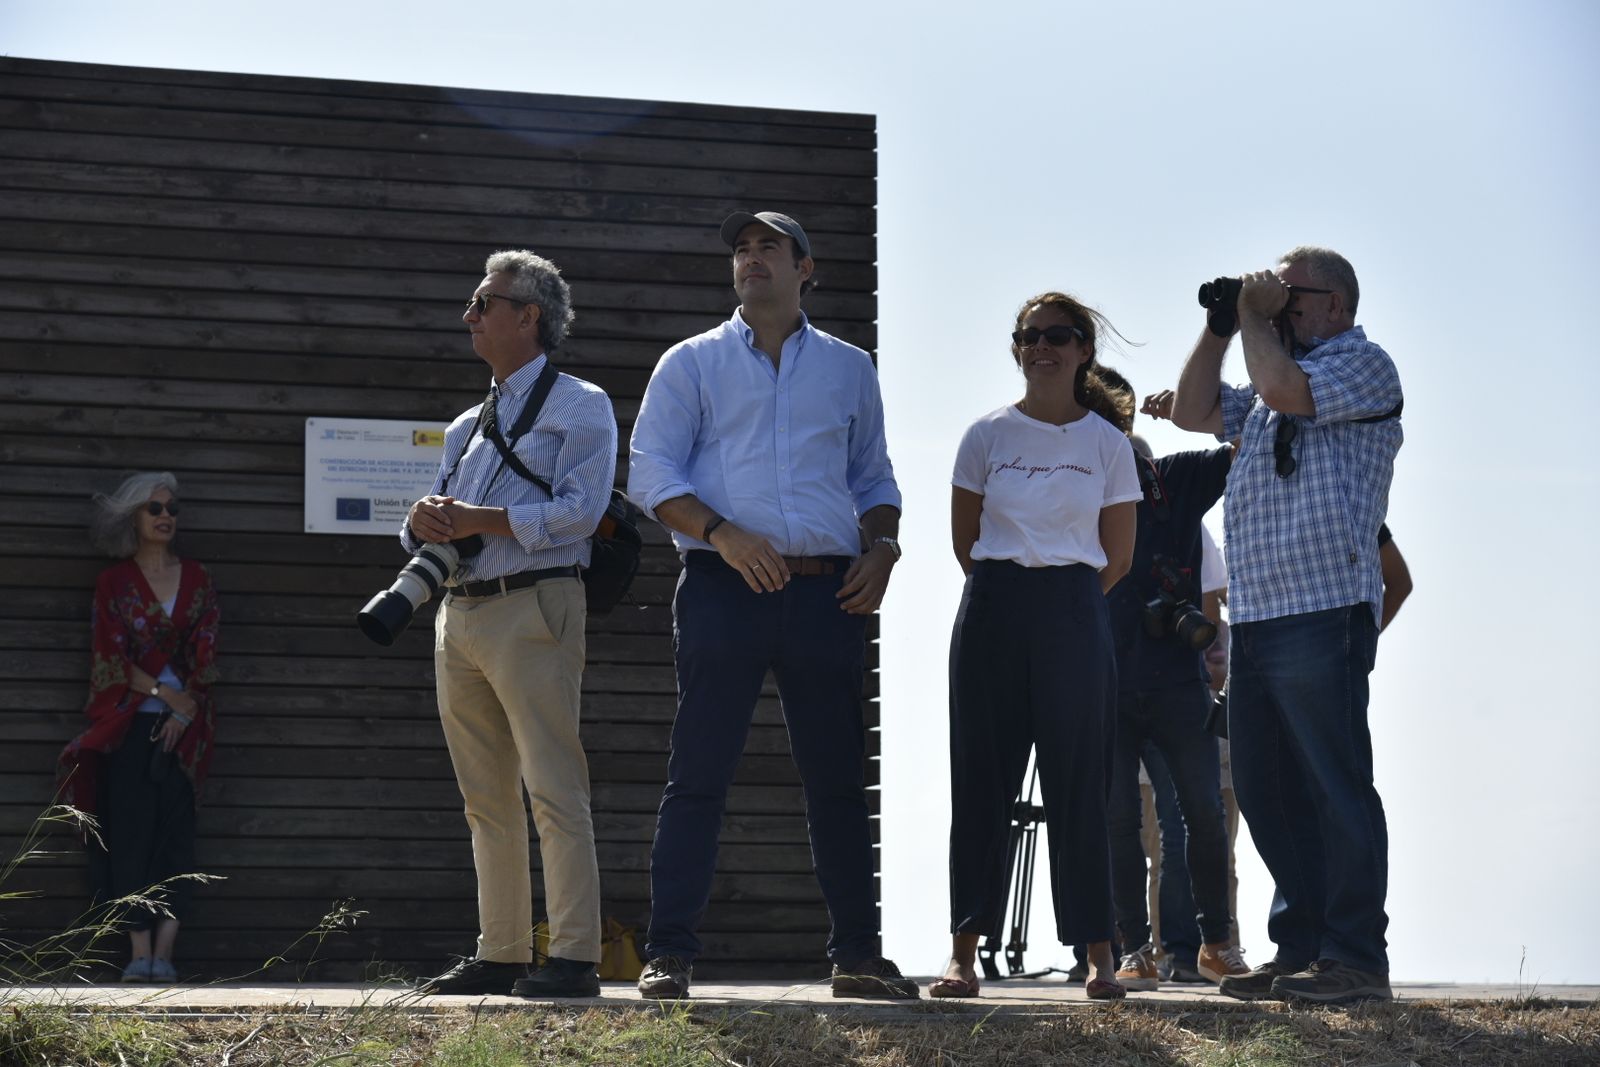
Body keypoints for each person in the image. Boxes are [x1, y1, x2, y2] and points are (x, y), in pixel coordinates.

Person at [628, 211, 911, 1000]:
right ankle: (670, 953)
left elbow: (875, 480)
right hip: (725, 587)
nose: (751, 259)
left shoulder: (851, 368)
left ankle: (857, 955)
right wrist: (722, 533)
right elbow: (650, 475)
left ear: (805, 268)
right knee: (699, 774)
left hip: (830, 591)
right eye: (742, 250)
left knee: (837, 780)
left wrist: (884, 550)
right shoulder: (691, 363)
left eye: (769, 248)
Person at [1170, 245, 1402, 1004]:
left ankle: (1356, 957)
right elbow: (1195, 408)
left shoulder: (1363, 366)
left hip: (1324, 606)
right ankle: (1302, 947)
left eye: (1292, 292)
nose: (1279, 302)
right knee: (1270, 793)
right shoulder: (1272, 374)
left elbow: (1283, 385)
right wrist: (1219, 327)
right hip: (1261, 616)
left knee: (1335, 787)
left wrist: (1250, 318)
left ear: (1335, 304)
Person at [405, 250, 617, 998]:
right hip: (459, 613)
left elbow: (580, 514)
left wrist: (478, 517)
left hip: (536, 602)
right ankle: (499, 951)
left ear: (529, 316)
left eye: (484, 302)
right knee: (484, 796)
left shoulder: (582, 403)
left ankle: (575, 956)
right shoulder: (467, 421)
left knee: (555, 787)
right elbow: (433, 522)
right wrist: (420, 520)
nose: (470, 314)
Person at [932, 290, 1139, 1001]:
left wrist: (1060, 602)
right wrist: (1013, 589)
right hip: (994, 605)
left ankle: (1098, 952)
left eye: (1058, 335)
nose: (1042, 346)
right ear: (1017, 347)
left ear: (1084, 349)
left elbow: (1118, 557)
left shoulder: (1109, 446)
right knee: (980, 781)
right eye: (1029, 335)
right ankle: (964, 949)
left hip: (1075, 611)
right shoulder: (985, 435)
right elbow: (965, 542)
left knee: (1081, 784)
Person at [1099, 400, 1247, 993]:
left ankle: (1216, 944)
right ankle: (1133, 950)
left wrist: (1206, 407)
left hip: (1178, 686)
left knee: (1204, 818)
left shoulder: (1174, 481)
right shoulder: (1078, 494)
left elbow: (1243, 449)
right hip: (1105, 687)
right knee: (1116, 823)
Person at [58, 472, 220, 984]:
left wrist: (184, 707)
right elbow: (109, 657)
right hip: (129, 729)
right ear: (134, 517)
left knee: (176, 839)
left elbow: (208, 654)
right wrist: (164, 695)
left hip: (186, 732)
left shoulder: (197, 577)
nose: (165, 515)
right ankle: (138, 952)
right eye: (154, 508)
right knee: (128, 836)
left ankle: (166, 954)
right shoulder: (114, 583)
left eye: (172, 508)